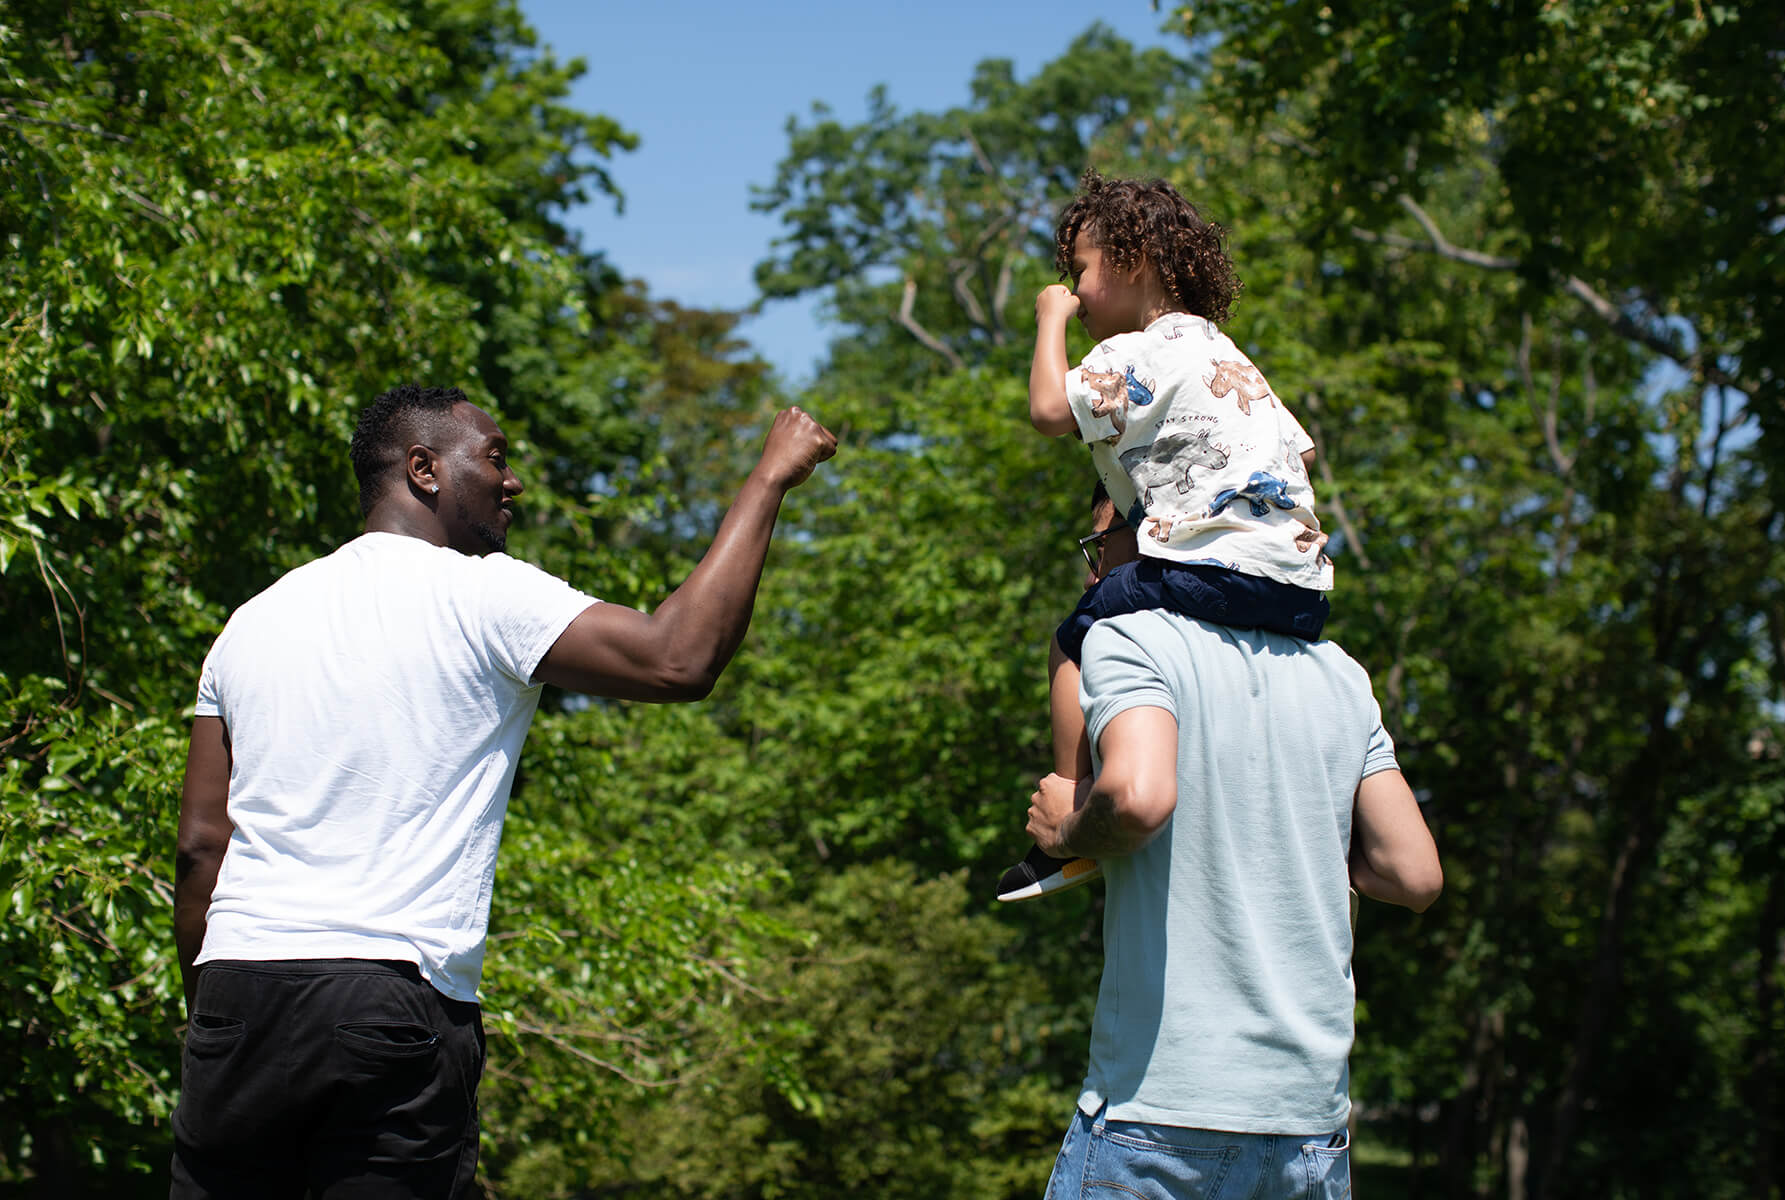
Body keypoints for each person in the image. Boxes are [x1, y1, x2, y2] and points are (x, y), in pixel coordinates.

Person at [171, 384, 836, 1197]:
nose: (511, 481)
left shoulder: (251, 621)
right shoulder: (482, 593)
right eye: (493, 458)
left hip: (240, 995)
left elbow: (203, 843)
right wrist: (768, 478)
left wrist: (215, 1016)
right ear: (423, 470)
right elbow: (678, 658)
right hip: (387, 997)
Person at [1024, 491, 1442, 1199]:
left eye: (1102, 545)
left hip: (1158, 1119)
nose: (1093, 575)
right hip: (1308, 1130)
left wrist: (1066, 828)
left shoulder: (1130, 638)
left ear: (1161, 527)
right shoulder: (1339, 672)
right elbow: (1414, 874)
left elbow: (1137, 797)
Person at [999, 170, 1333, 902]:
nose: (1075, 292)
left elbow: (1051, 409)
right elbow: (1299, 453)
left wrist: (1047, 320)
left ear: (1131, 261)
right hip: (1298, 586)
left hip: (1205, 566)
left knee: (1073, 640)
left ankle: (1071, 804)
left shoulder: (1140, 350)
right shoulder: (1227, 354)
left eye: (1078, 272)